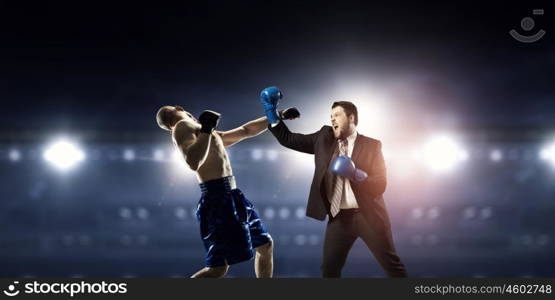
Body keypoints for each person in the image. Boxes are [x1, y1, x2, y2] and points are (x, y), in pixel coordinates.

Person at [260, 87, 407, 277]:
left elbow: (381, 184)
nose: (332, 119)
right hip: (339, 219)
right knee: (329, 270)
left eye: (337, 115)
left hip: (369, 216)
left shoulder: (372, 145)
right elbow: (289, 139)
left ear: (351, 118)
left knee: (393, 267)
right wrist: (270, 111)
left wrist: (356, 175)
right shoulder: (323, 137)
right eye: (331, 115)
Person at [155, 104, 298, 277]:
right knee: (218, 268)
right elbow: (193, 162)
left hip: (232, 195)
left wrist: (276, 115)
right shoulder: (182, 126)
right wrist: (207, 128)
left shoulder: (202, 132)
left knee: (265, 245)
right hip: (217, 198)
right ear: (179, 108)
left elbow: (246, 130)